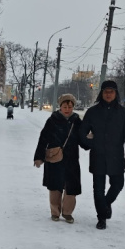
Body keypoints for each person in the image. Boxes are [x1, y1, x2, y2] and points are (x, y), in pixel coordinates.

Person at [79, 80, 125, 230]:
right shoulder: (92, 112)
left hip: (116, 156)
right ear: (101, 93)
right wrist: (89, 144)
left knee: (118, 184)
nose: (108, 94)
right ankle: (101, 217)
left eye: (111, 91)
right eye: (105, 91)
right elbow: (82, 133)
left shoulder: (123, 113)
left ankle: (106, 204)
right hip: (98, 156)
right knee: (98, 189)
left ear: (116, 94)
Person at [33, 94, 85, 223]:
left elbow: (82, 140)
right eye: (65, 106)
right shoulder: (53, 120)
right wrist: (39, 157)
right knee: (55, 187)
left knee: (71, 187)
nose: (67, 109)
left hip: (72, 159)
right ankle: (55, 212)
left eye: (70, 106)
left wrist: (91, 139)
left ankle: (67, 213)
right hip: (55, 159)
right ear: (60, 107)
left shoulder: (77, 121)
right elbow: (43, 139)